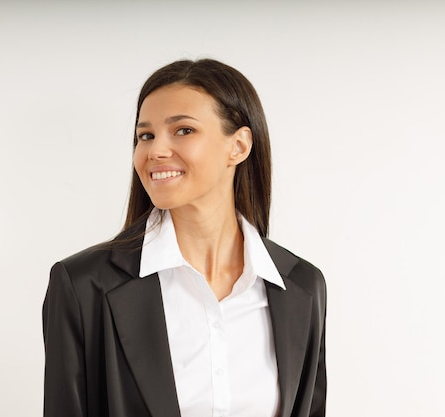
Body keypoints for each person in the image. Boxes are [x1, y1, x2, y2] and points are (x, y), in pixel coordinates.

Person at [42, 59, 327, 417]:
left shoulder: (302, 286)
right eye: (145, 135)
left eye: (183, 131)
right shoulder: (83, 286)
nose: (156, 150)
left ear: (238, 146)